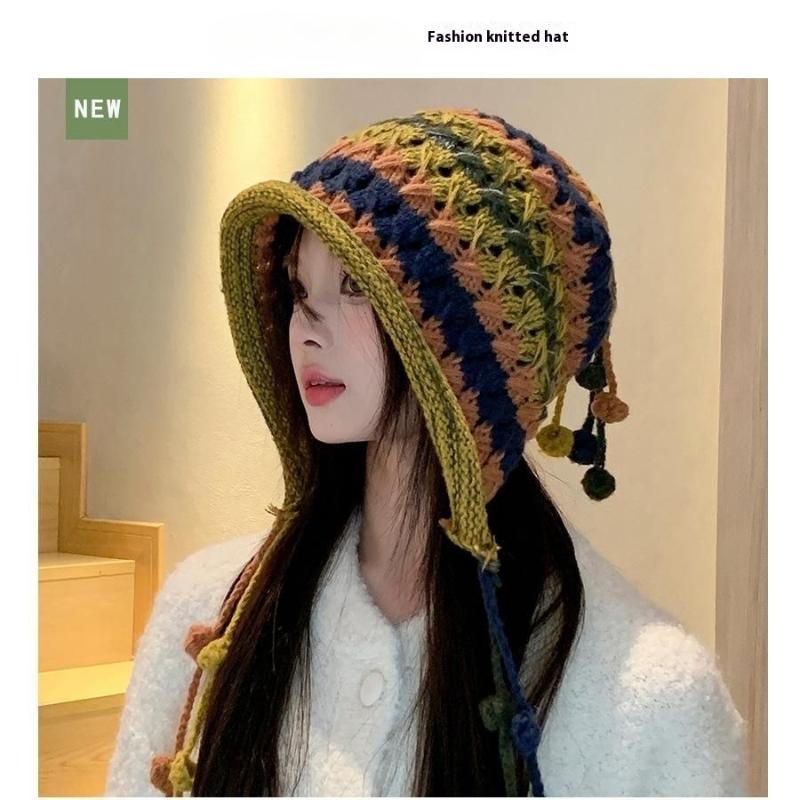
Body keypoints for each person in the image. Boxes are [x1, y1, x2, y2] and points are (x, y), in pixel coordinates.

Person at [105, 107, 748, 797]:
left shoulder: (651, 704)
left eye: (355, 287)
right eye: (298, 288)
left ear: (478, 346)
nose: (305, 331)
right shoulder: (206, 618)